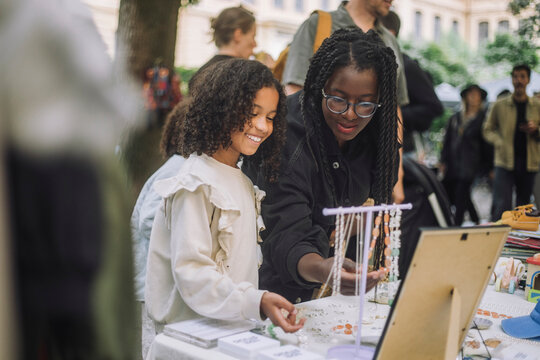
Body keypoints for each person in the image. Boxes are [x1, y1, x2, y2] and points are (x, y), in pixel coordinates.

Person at [144, 59, 304, 351]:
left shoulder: (241, 181)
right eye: (252, 113)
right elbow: (192, 273)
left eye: (270, 117)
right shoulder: (195, 183)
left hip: (229, 337)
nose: (261, 126)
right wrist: (256, 301)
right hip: (189, 342)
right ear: (222, 110)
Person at [243, 28, 395, 304]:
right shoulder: (286, 139)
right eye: (338, 99)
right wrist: (324, 269)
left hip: (327, 291)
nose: (350, 114)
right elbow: (285, 234)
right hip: (268, 294)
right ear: (319, 87)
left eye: (365, 104)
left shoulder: (376, 135)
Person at [280, 0, 408, 203]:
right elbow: (295, 93)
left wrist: (395, 175)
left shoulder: (390, 41)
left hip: (363, 173)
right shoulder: (319, 24)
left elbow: (393, 109)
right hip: (315, 165)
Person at [380, 10, 443, 159]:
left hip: (401, 152)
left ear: (390, 33)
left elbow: (434, 107)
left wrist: (394, 115)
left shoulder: (405, 65)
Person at [483, 64, 540, 221]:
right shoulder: (499, 105)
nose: (518, 80)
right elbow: (487, 129)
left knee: (524, 207)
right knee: (501, 205)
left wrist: (535, 129)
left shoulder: (537, 105)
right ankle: (496, 239)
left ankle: (518, 241)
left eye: (522, 76)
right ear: (512, 79)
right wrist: (499, 142)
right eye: (515, 76)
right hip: (504, 161)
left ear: (528, 80)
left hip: (530, 163)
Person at [440, 84, 492, 225]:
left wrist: (489, 166)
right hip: (454, 162)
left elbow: (487, 144)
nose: (473, 97)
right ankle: (475, 219)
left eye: (476, 95)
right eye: (471, 94)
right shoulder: (456, 117)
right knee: (459, 191)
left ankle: (456, 224)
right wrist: (443, 160)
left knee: (461, 192)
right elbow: (447, 140)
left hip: (472, 163)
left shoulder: (484, 118)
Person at [188, 6, 257, 92]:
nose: (255, 44)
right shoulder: (245, 75)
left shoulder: (201, 73)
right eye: (253, 36)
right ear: (238, 35)